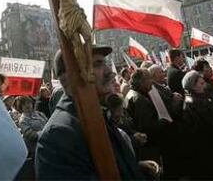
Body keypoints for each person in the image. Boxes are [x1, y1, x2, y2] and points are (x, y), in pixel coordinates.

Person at [35, 46, 144, 180]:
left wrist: (135, 170)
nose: (110, 72)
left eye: (105, 63)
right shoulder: (58, 136)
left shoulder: (97, 114)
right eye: (97, 64)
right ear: (70, 77)